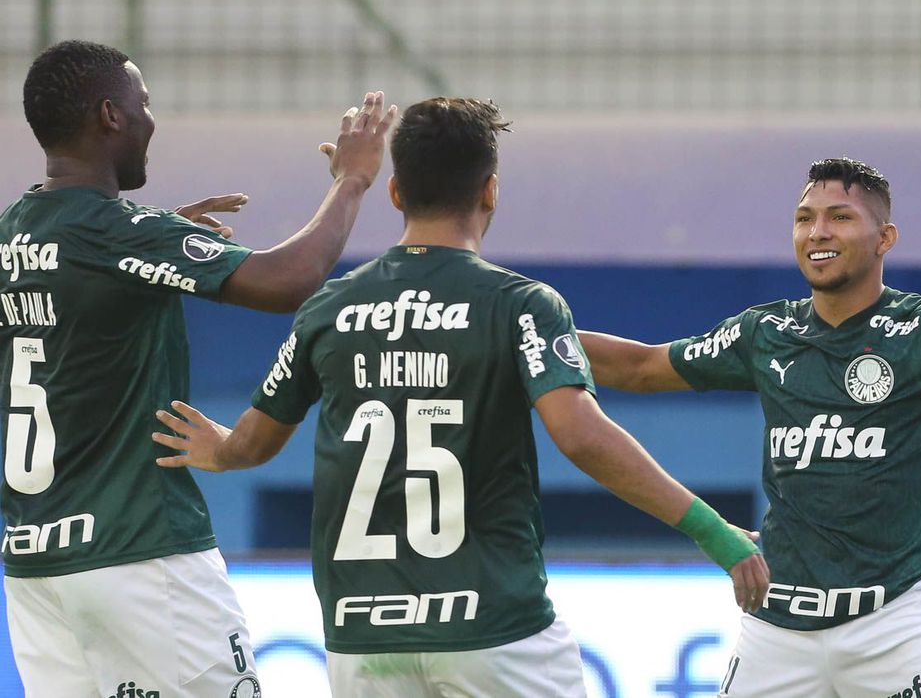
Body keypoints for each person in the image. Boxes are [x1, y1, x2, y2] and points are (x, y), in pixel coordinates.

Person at [150, 97, 770, 697]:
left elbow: (253, 443)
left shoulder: (328, 308)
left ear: (396, 193)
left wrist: (219, 449)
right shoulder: (519, 304)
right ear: (490, 191)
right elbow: (581, 436)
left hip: (362, 640)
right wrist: (710, 528)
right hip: (496, 629)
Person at [576, 157, 921, 697]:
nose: (818, 232)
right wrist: (535, 335)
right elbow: (641, 367)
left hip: (902, 623)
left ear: (885, 239)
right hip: (776, 629)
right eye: (804, 219)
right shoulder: (764, 332)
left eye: (840, 217)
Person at [0, 40, 393, 697]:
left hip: (37, 570)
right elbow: (287, 281)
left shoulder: (15, 231)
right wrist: (352, 180)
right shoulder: (117, 233)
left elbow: (81, 282)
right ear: (110, 116)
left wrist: (158, 244)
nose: (151, 119)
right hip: (139, 553)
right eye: (143, 103)